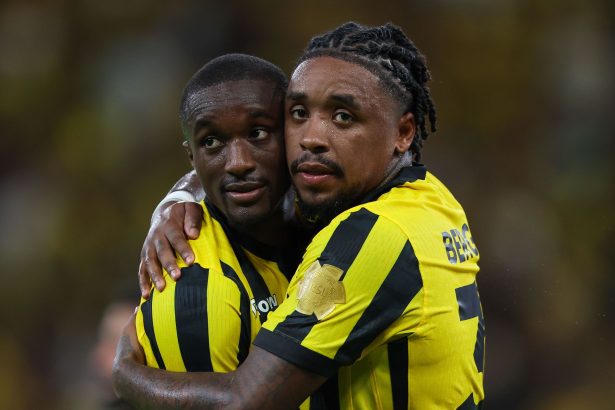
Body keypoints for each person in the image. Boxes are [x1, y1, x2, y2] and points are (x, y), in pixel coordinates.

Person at [113, 22, 485, 409]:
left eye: (343, 117)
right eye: (299, 113)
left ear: (404, 132)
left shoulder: (371, 235)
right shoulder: (431, 199)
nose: (311, 138)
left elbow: (244, 401)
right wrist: (179, 196)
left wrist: (125, 374)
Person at [133, 53, 312, 402]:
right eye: (212, 142)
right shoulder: (194, 293)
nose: (238, 163)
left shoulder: (328, 211)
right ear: (192, 156)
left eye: (258, 133)